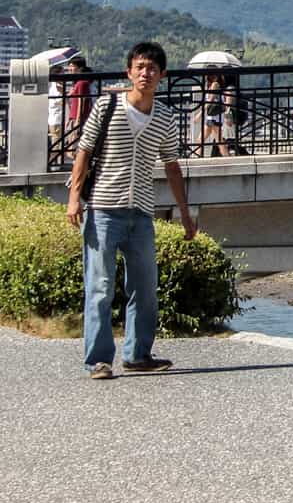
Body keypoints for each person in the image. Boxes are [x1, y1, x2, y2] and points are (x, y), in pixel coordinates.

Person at [65, 41, 197, 379]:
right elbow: (84, 150)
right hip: (103, 209)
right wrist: (74, 198)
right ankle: (98, 360)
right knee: (100, 287)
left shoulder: (165, 117)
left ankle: (138, 354)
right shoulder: (108, 105)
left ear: (162, 75)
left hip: (140, 212)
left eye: (152, 68)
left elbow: (171, 166)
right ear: (129, 71)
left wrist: (185, 212)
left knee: (145, 286)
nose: (145, 73)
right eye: (139, 67)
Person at [200, 71, 236, 158]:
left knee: (213, 140)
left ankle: (196, 156)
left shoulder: (215, 85)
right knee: (217, 140)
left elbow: (210, 100)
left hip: (213, 118)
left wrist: (200, 113)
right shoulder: (217, 85)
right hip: (214, 117)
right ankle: (227, 157)